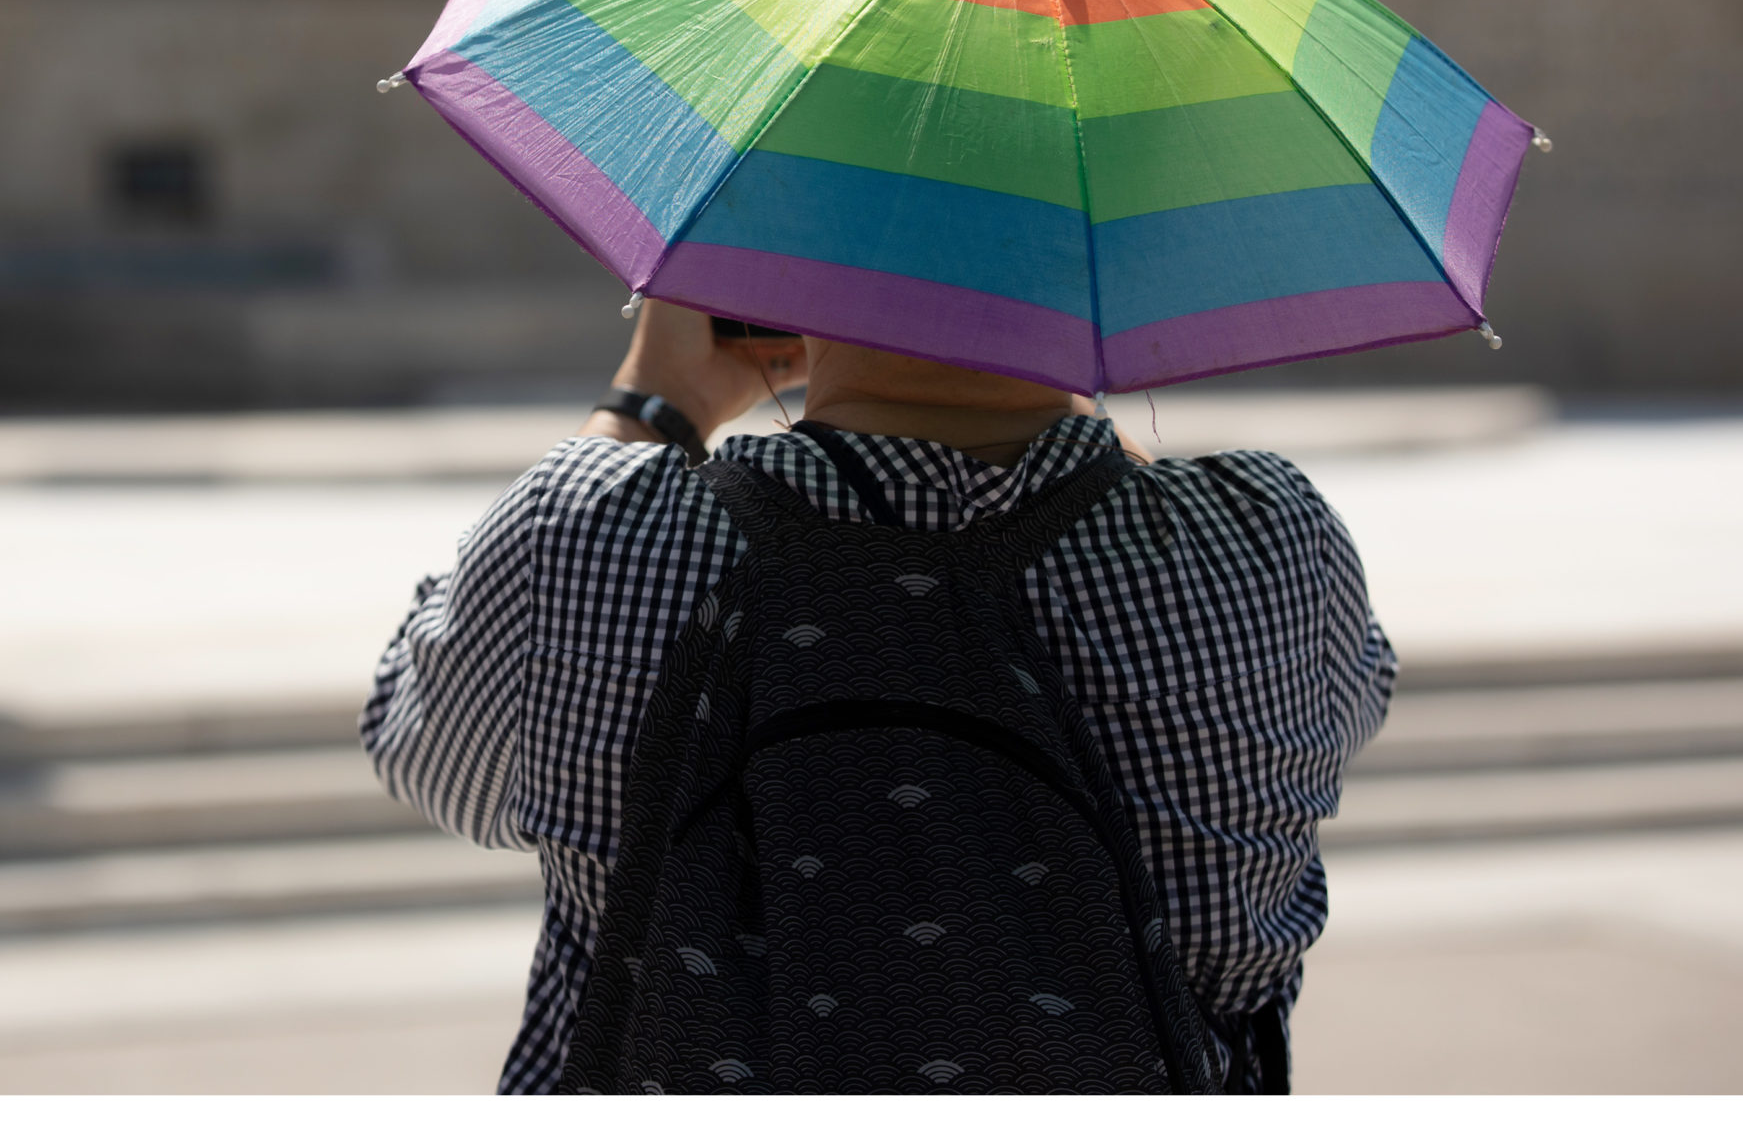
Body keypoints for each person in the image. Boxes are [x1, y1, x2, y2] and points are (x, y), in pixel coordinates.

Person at [363, 300, 1395, 1092]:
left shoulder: (587, 535)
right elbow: (1340, 718)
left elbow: (427, 753)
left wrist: (653, 399)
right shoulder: (1270, 546)